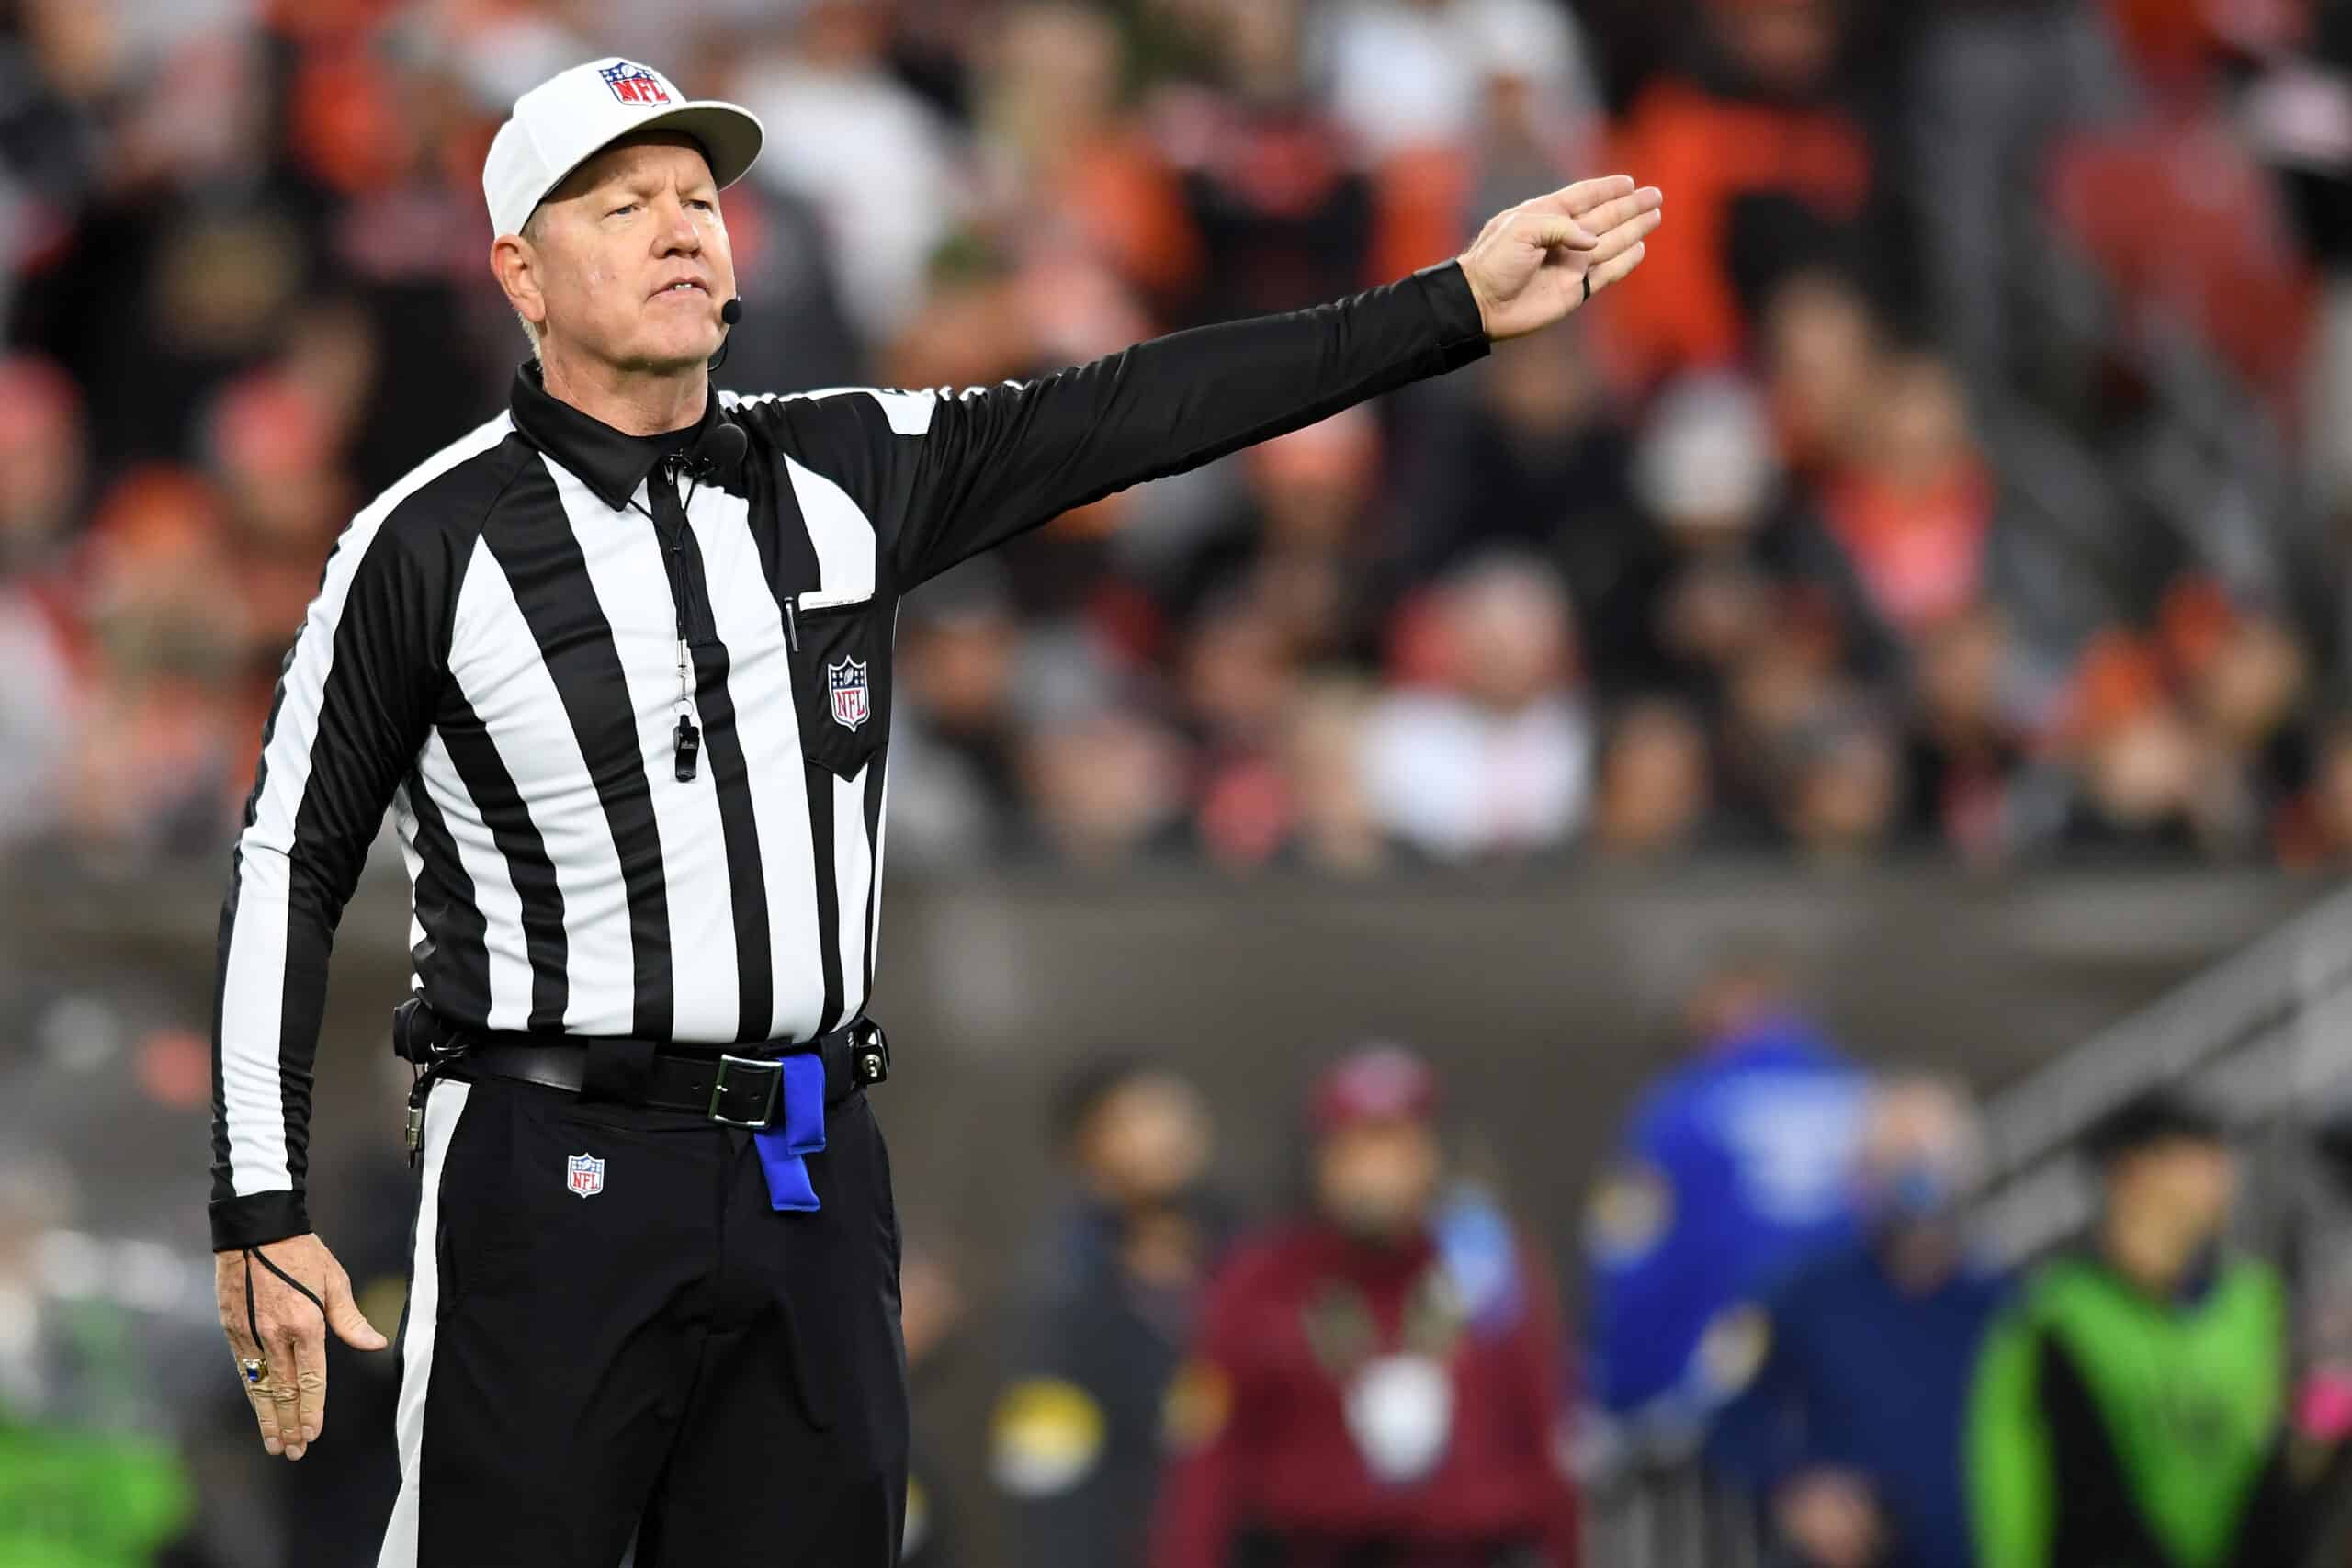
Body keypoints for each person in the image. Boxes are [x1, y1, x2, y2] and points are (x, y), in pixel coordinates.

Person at [200, 52, 1664, 1568]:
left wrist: (1451, 306)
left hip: (811, 1159)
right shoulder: (424, 542)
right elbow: (289, 858)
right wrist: (259, 1194)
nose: (681, 228)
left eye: (699, 197)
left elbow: (1134, 408)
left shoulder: (842, 466)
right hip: (554, 1157)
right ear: (519, 268)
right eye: (622, 203)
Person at [1148, 1043, 1578, 1568]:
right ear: (1319, 1161)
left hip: (1468, 1550)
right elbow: (1208, 1458)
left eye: (1396, 1146)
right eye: (1353, 1150)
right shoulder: (1261, 1280)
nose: (1375, 1174)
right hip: (1317, 1548)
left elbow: (1545, 1432)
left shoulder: (1488, 1269)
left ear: (1431, 1156)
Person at [1968, 1091, 2310, 1568]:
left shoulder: (2258, 1304)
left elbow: (2278, 1462)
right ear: (2130, 1174)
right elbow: (2012, 1488)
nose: (2223, 1178)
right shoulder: (2054, 1319)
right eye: (2198, 1160)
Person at [1709, 1077, 2009, 1568]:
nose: (1916, 1184)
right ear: (1862, 1175)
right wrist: (1794, 1487)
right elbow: (1729, 1410)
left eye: (1929, 1161)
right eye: (1895, 1162)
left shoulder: (2005, 1307)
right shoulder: (1800, 1294)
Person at [1582, 950, 1870, 1439]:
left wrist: (1626, 1378)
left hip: (1715, 1379)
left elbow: (1621, 1244)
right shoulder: (1863, 1102)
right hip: (1849, 1381)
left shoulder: (1679, 1108)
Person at [992, 1056, 1227, 1568]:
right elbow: (1049, 1487)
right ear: (1086, 1150)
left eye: (1172, 1113)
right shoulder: (1060, 1296)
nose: (1164, 1134)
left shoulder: (1253, 1262)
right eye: (1133, 1119)